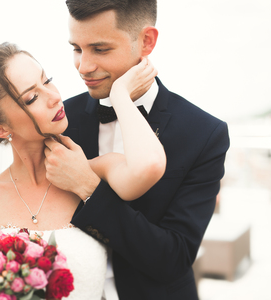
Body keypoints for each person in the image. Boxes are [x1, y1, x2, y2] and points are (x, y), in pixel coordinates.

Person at [43, 1, 230, 299]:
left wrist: (90, 188)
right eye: (77, 49)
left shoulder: (204, 134)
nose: (84, 67)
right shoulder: (61, 120)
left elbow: (174, 258)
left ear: (146, 41)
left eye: (100, 49)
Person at [0, 42, 163, 300]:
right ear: (0, 129)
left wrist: (120, 97)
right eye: (32, 97)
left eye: (47, 80)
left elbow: (149, 166)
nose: (54, 96)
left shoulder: (95, 171)